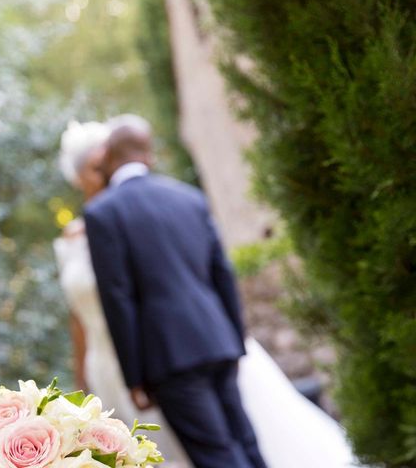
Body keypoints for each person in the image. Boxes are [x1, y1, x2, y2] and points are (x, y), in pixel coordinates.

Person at [55, 118, 357, 468]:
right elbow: (222, 274)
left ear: (109, 157)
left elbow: (119, 299)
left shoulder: (103, 214)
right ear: (148, 156)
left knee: (215, 455)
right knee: (246, 442)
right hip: (218, 340)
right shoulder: (188, 197)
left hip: (167, 356)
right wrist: (236, 337)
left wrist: (134, 377)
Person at [54, 121, 191, 468]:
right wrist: (80, 385)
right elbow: (77, 316)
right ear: (79, 176)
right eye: (94, 166)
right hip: (103, 366)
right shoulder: (70, 237)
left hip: (149, 355)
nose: (104, 171)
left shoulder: (129, 219)